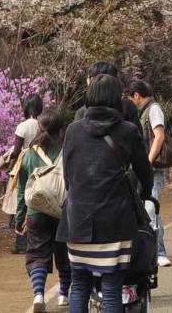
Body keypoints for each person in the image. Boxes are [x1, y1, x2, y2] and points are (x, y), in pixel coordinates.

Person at [59, 73, 153, 313]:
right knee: (112, 286)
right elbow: (145, 172)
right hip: (115, 220)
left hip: (77, 220)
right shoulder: (128, 131)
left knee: (79, 284)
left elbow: (68, 173)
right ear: (116, 99)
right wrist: (145, 193)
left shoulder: (73, 130)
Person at [16, 109, 72, 313]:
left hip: (36, 212)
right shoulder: (69, 151)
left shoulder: (29, 154)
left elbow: (23, 188)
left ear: (40, 128)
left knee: (37, 254)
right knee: (65, 253)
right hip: (64, 210)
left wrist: (20, 217)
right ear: (62, 128)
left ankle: (39, 294)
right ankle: (64, 295)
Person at [128, 80, 172, 269]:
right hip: (146, 167)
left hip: (153, 167)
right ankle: (154, 250)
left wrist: (147, 160)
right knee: (149, 207)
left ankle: (159, 252)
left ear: (137, 96)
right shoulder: (145, 110)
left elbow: (159, 136)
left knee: (150, 208)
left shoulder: (153, 109)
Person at [6, 94, 46, 254]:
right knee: (38, 196)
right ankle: (38, 238)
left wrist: (9, 163)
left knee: (22, 198)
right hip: (42, 163)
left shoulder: (23, 126)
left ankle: (21, 241)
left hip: (25, 163)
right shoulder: (42, 125)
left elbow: (16, 151)